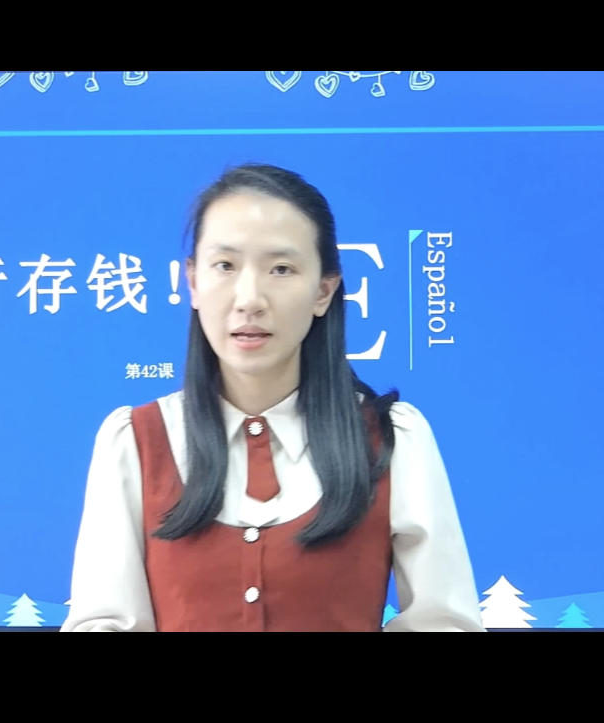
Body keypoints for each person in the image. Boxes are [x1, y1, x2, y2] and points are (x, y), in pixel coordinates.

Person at [61, 163, 483, 632]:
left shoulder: (392, 439)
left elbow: (445, 622)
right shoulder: (135, 442)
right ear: (193, 282)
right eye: (225, 266)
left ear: (323, 291)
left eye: (281, 269)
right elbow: (103, 621)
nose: (250, 298)